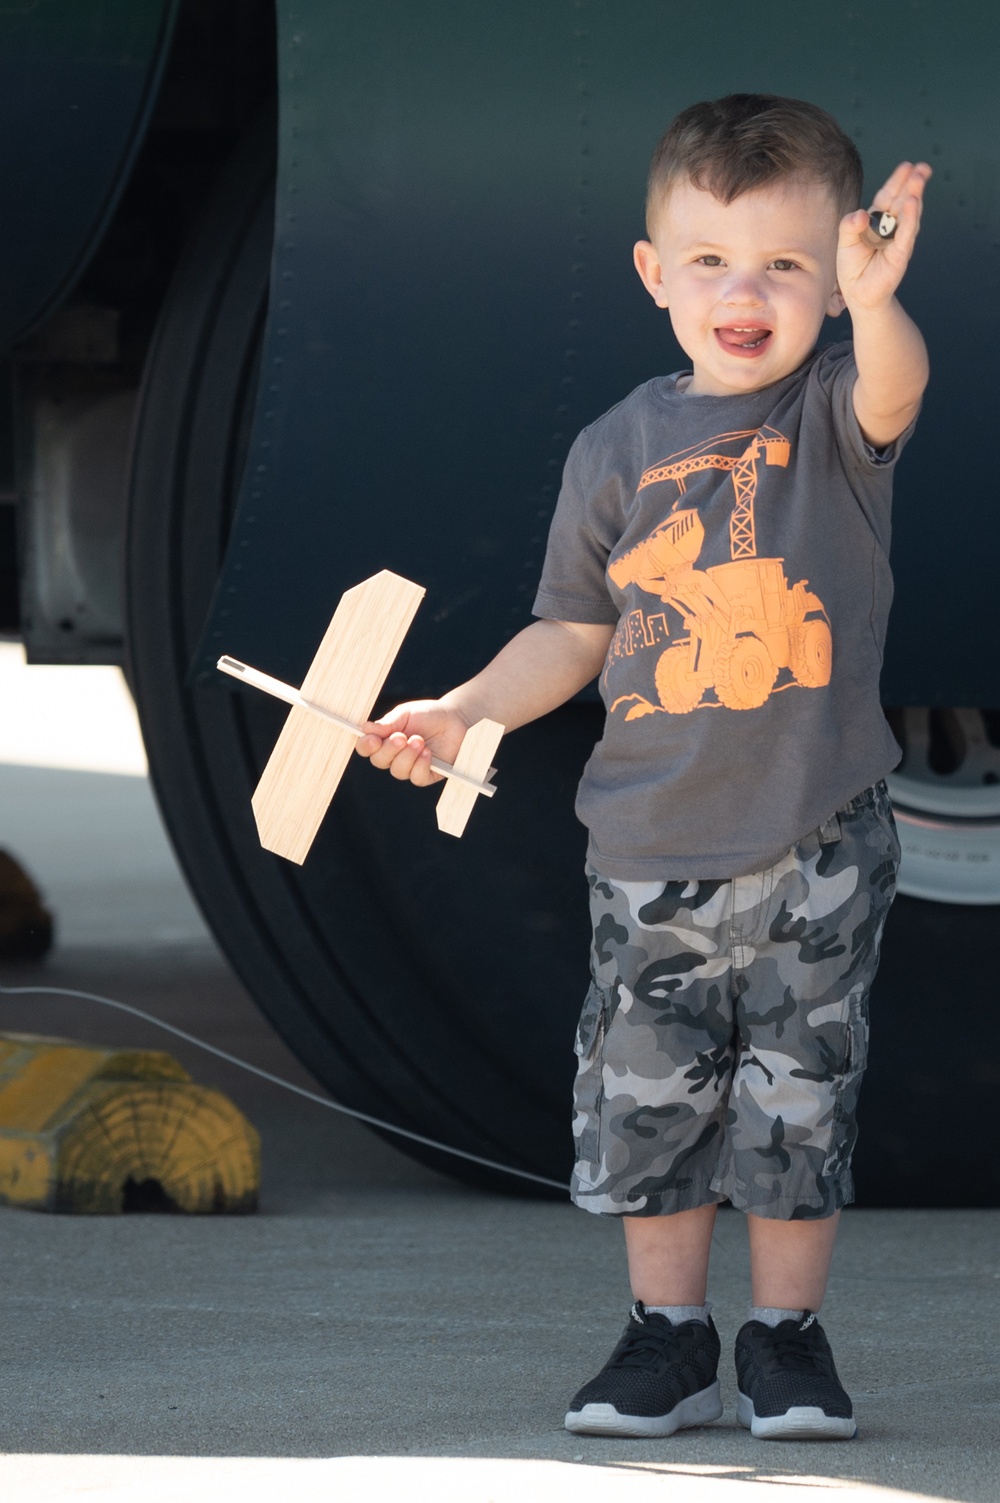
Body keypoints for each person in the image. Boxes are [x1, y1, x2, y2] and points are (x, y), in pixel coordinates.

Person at [356, 94, 930, 1442]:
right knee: (649, 1101)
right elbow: (572, 628)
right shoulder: (614, 448)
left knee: (799, 1100)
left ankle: (787, 1343)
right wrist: (462, 713)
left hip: (818, 842)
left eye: (789, 266)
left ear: (832, 280)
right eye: (715, 261)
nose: (748, 293)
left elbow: (897, 383)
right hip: (648, 850)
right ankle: (666, 1339)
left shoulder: (836, 414)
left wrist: (878, 304)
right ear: (651, 273)